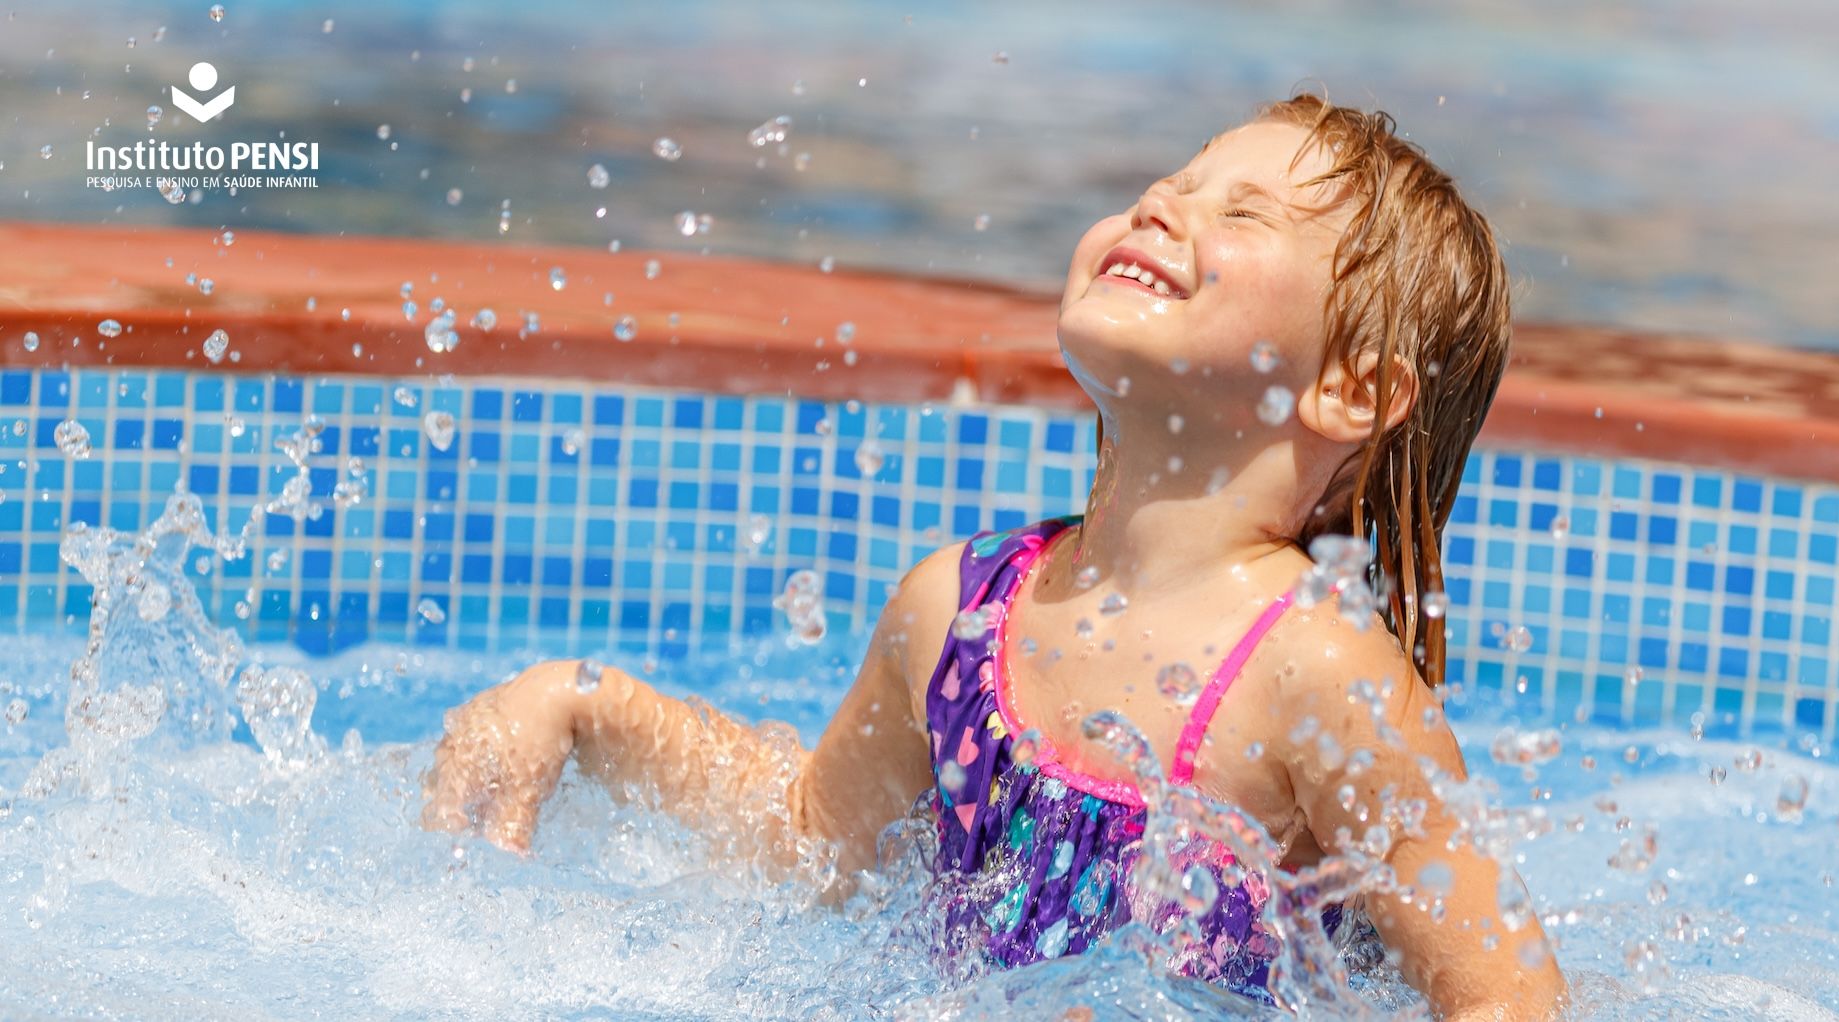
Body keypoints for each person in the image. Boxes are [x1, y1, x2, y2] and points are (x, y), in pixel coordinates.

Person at [422, 92, 1567, 1020]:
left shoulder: (1322, 680)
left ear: (1350, 387)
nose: (1162, 205)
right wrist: (588, 704)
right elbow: (814, 841)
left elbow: (1504, 995)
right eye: (1168, 183)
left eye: (1243, 212)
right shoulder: (960, 608)